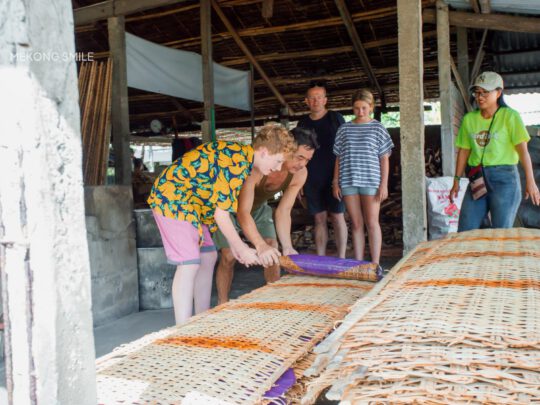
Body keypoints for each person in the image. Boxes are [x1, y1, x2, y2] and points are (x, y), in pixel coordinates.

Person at [147, 125, 297, 324]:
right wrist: (242, 248)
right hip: (172, 199)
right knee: (189, 264)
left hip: (193, 207)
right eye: (278, 161)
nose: (279, 168)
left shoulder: (243, 160)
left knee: (208, 256)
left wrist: (236, 246)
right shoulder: (236, 162)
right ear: (264, 152)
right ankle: (182, 327)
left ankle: (202, 318)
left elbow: (225, 210)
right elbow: (221, 214)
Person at [213, 126, 319, 304]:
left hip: (259, 208)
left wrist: (287, 246)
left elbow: (284, 210)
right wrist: (258, 245)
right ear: (288, 149)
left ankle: (273, 301)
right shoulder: (259, 165)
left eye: (308, 160)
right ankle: (222, 303)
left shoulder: (300, 174)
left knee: (272, 249)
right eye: (300, 157)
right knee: (229, 254)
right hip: (230, 207)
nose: (302, 164)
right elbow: (242, 212)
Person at [449, 71, 540, 231]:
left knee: (500, 233)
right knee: (465, 229)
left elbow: (523, 152)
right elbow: (464, 151)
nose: (480, 96)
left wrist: (530, 182)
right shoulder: (470, 119)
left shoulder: (510, 117)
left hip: (504, 180)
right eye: (477, 92)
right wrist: (456, 180)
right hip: (477, 179)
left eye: (485, 92)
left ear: (498, 92)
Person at [332, 89, 393, 265]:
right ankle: (358, 264)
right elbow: (338, 157)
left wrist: (384, 184)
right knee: (356, 224)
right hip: (348, 181)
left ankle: (374, 264)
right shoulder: (344, 129)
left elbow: (384, 158)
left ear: (371, 107)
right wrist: (335, 182)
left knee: (372, 223)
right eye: (357, 108)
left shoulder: (378, 128)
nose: (360, 112)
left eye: (364, 108)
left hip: (371, 181)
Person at [297, 82, 348, 258]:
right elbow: (296, 154)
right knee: (319, 219)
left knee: (337, 216)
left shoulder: (336, 119)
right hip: (311, 178)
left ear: (325, 100)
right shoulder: (302, 123)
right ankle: (320, 258)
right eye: (312, 98)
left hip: (336, 178)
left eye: (319, 97)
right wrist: (297, 181)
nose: (316, 101)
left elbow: (346, 149)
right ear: (306, 101)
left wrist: (341, 179)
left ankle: (341, 258)